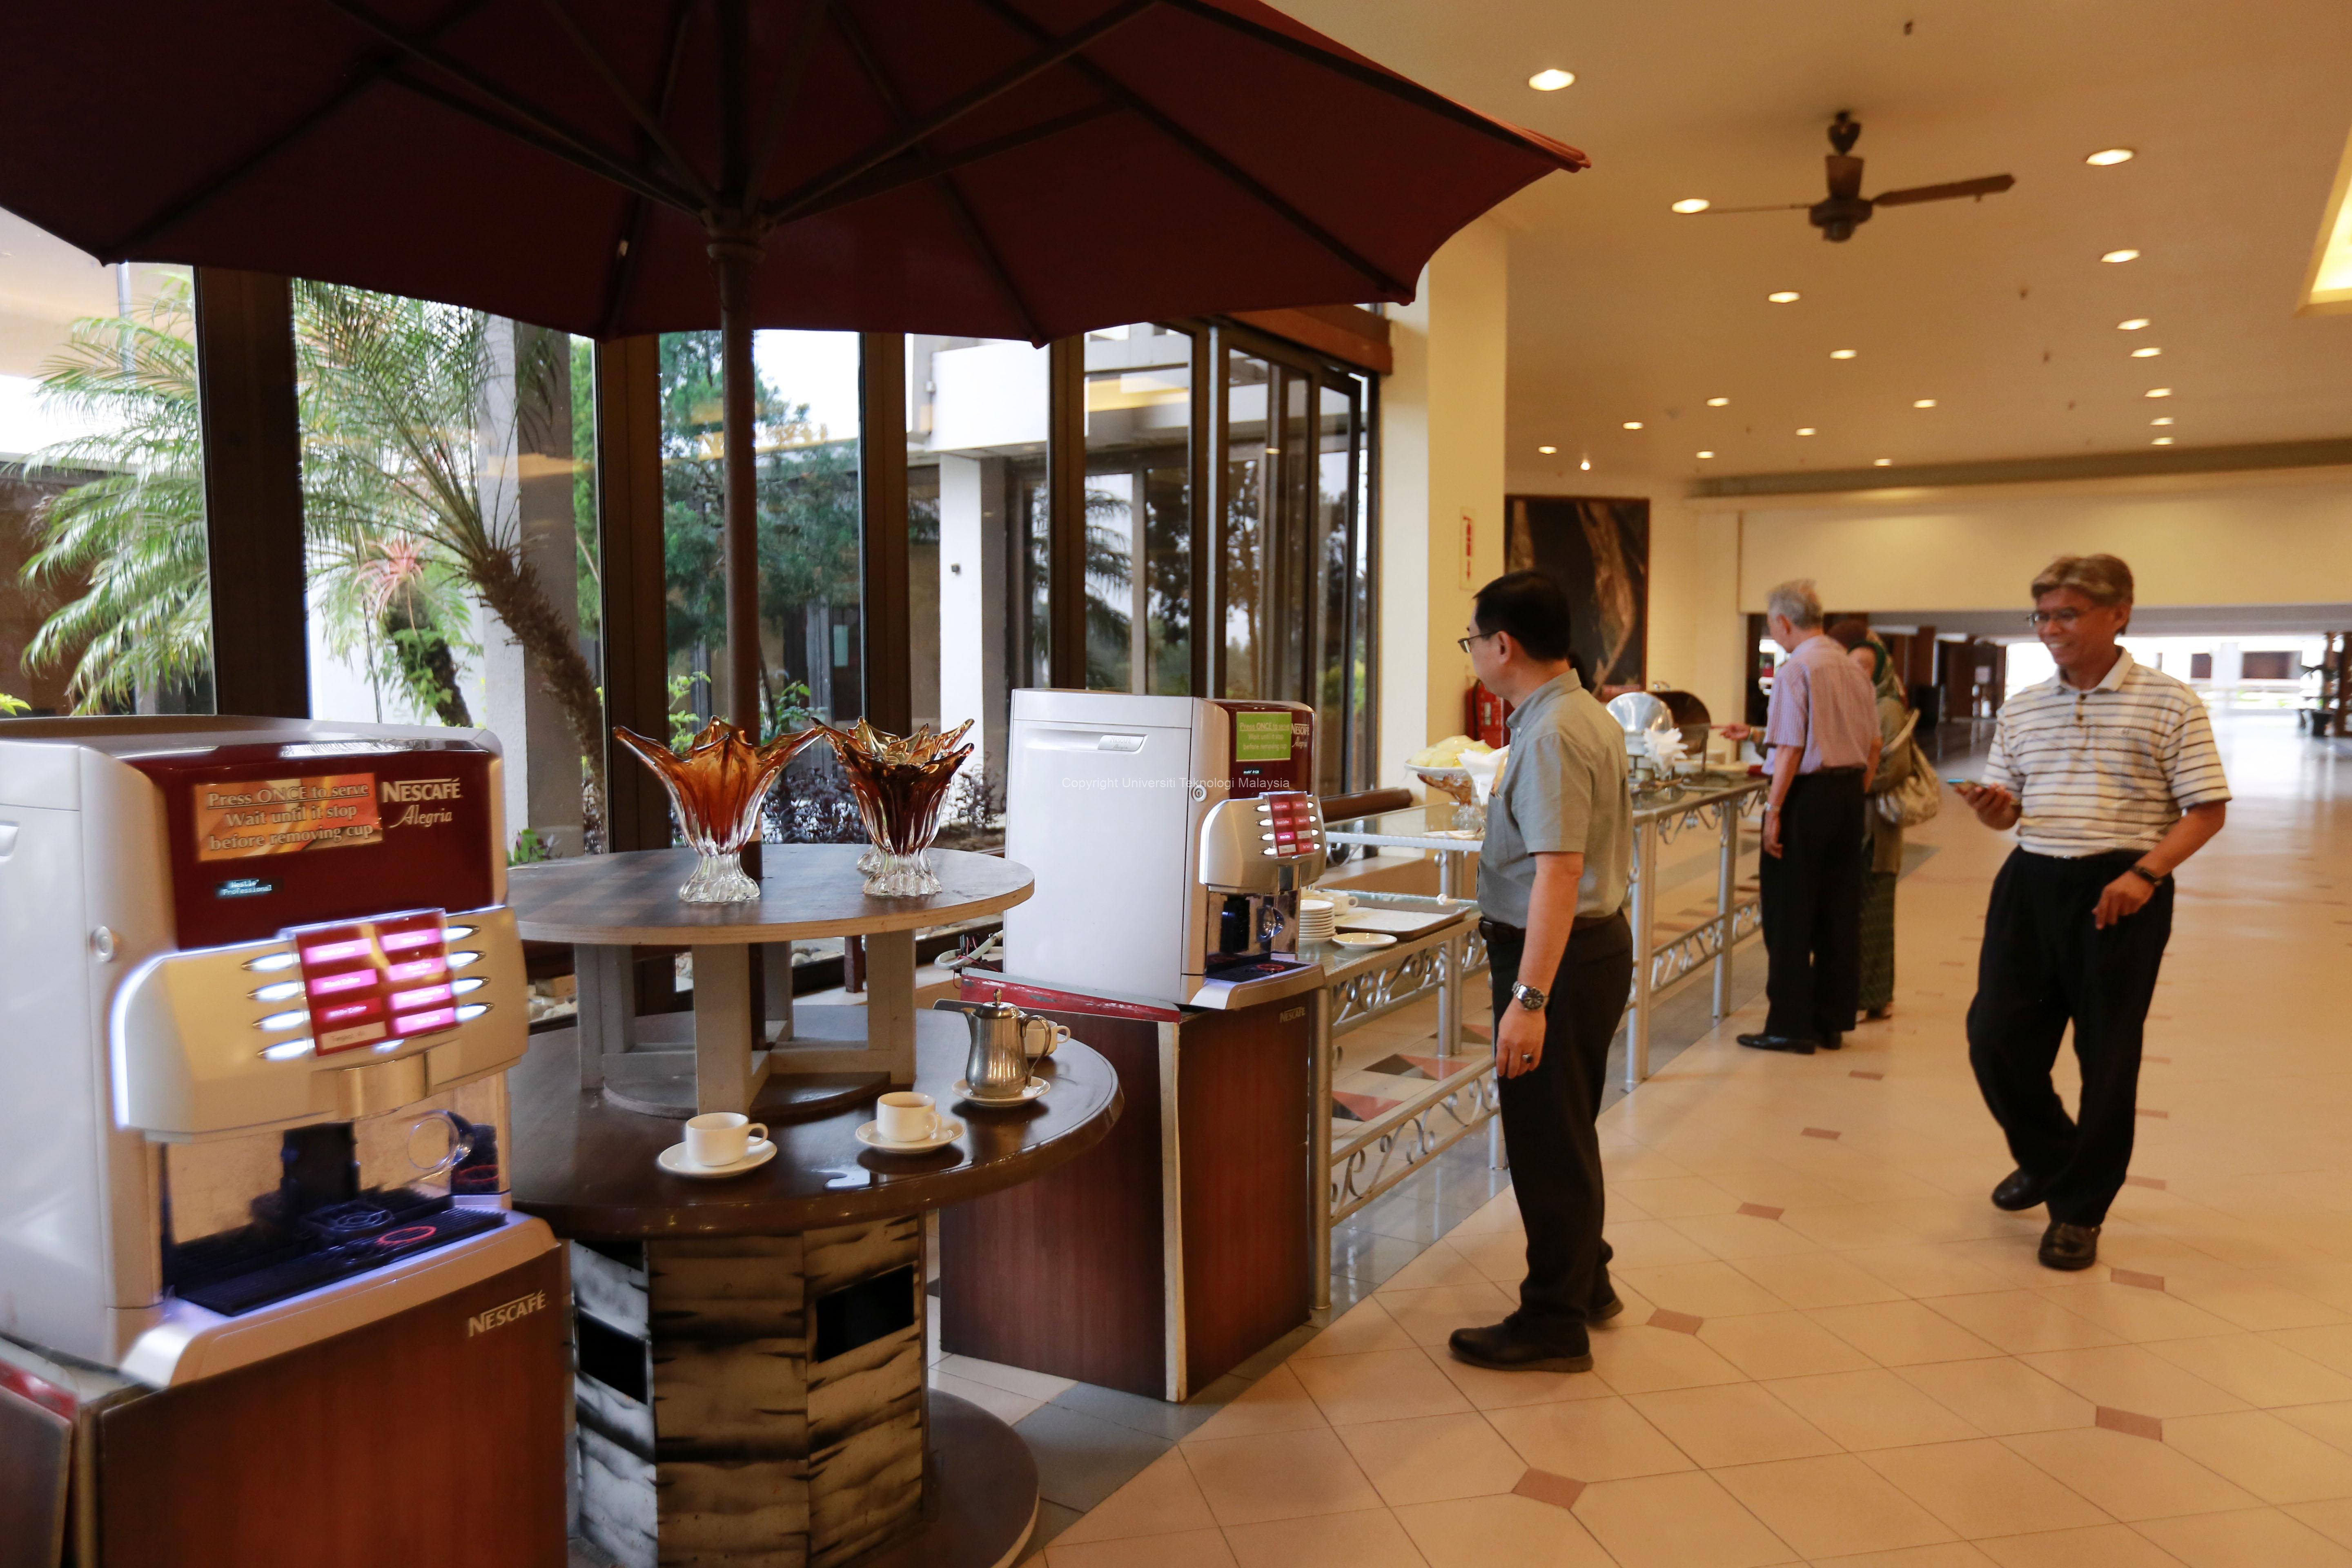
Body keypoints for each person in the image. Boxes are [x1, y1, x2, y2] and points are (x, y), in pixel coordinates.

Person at [1955, 554, 2227, 1272]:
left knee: (2106, 1055)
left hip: (2120, 889)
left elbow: (2206, 810)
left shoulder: (2170, 702)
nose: (2050, 628)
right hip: (2031, 881)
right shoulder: (2024, 707)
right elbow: (2008, 812)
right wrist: (1993, 809)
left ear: (2119, 614)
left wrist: (2146, 874)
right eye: (2042, 616)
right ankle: (2052, 1158)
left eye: (2066, 614)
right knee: (1994, 1036)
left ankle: (2079, 1210)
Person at [1448, 570, 1634, 1374]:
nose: (1472, 653)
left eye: (1472, 640)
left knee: (1546, 1143)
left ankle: (1554, 1321)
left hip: (1558, 959)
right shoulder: (1578, 712)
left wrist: (1528, 1000)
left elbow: (1559, 873)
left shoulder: (1554, 731)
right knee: (1566, 1129)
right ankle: (1588, 1280)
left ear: (1504, 645)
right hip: (1588, 949)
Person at [1737, 580, 1881, 1056]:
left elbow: (1791, 747)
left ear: (1783, 622)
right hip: (1849, 796)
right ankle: (1830, 1021)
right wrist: (1853, 793)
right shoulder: (1854, 668)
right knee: (1839, 911)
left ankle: (1790, 1025)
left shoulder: (1797, 670)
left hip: (1807, 796)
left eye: (1771, 625)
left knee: (1789, 912)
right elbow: (1875, 745)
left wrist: (1774, 810)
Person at [1828, 617, 1914, 1019]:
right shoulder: (1857, 705)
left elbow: (1895, 767)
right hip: (1857, 824)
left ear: (1879, 670)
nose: (1858, 673)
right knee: (1861, 912)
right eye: (1852, 666)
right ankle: (1873, 996)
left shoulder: (1887, 708)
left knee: (1872, 913)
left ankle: (1869, 997)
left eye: (1866, 666)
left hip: (1877, 832)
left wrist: (1851, 785)